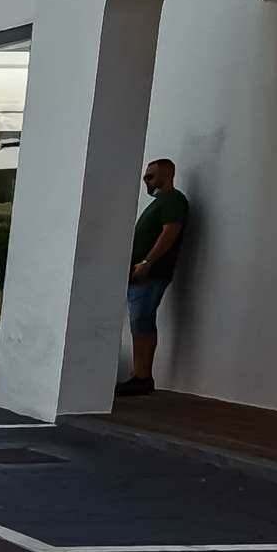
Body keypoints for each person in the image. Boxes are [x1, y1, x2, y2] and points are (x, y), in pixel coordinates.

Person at [120, 158, 188, 398]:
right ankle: (137, 375)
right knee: (138, 321)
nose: (146, 182)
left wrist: (147, 263)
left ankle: (142, 376)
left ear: (165, 176)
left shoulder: (173, 200)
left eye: (150, 177)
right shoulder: (160, 203)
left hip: (152, 273)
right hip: (142, 274)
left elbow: (170, 232)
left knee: (142, 320)